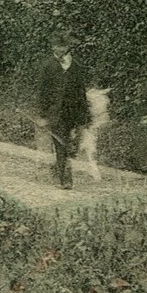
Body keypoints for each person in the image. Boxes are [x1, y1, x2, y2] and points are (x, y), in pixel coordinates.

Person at [36, 31, 92, 189]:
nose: (59, 49)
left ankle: (59, 169)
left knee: (72, 144)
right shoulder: (48, 66)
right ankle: (65, 178)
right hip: (55, 112)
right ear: (52, 47)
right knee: (61, 143)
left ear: (68, 46)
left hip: (73, 112)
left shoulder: (76, 66)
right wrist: (43, 114)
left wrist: (84, 116)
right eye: (56, 46)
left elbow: (81, 91)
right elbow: (43, 91)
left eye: (62, 46)